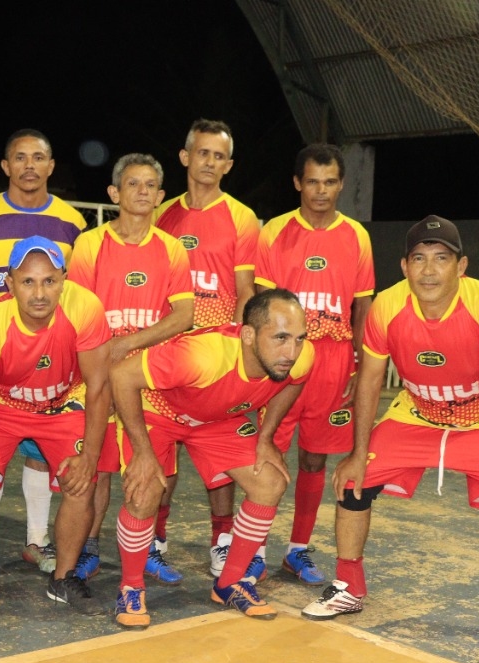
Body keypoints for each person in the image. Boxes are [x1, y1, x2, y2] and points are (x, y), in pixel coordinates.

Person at [306, 215, 479, 660]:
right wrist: (358, 453)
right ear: (404, 266)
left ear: (462, 266)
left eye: (442, 259)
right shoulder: (386, 307)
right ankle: (348, 586)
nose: (430, 270)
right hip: (418, 413)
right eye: (419, 259)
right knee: (352, 482)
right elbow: (370, 381)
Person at [110, 289, 313, 629]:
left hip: (216, 420)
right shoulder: (201, 356)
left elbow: (295, 382)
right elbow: (121, 376)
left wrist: (266, 437)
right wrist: (143, 453)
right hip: (159, 411)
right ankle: (131, 586)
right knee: (145, 491)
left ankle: (230, 582)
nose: (291, 351)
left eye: (298, 339)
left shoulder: (300, 357)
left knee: (270, 481)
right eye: (280, 338)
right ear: (249, 335)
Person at [0, 236, 112, 616]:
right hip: (3, 407)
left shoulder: (85, 309)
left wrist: (89, 455)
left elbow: (99, 386)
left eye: (49, 281)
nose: (40, 293)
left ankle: (65, 577)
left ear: (63, 280)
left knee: (79, 481)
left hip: (62, 405)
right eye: (28, 282)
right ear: (9, 283)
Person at [0, 129, 89, 573]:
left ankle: (38, 540)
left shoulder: (74, 222)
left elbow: (76, 298)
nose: (29, 165)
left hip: (52, 374)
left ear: (52, 166)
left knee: (41, 462)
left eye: (39, 157)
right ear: (6, 165)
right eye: (20, 157)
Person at [65, 153, 194, 581]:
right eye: (133, 184)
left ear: (160, 195)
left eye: (150, 185)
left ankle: (152, 545)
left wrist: (131, 344)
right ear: (114, 193)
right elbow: (78, 311)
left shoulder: (172, 249)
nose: (142, 192)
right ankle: (89, 545)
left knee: (158, 469)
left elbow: (184, 315)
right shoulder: (89, 245)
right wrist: (106, 354)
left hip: (151, 378)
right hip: (99, 375)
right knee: (99, 469)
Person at [251, 143, 374, 587]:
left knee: (315, 457)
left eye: (330, 182)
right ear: (298, 183)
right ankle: (254, 550)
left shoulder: (356, 235)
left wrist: (362, 361)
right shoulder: (275, 233)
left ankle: (297, 549)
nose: (321, 191)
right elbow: (262, 308)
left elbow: (362, 307)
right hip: (286, 359)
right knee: (267, 451)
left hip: (335, 359)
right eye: (313, 181)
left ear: (341, 184)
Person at [154, 118, 261, 576]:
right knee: (163, 453)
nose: (210, 163)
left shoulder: (241, 217)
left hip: (216, 354)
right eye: (202, 153)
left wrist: (236, 354)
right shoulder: (163, 215)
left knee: (221, 456)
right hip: (167, 351)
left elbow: (245, 291)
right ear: (185, 156)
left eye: (219, 156)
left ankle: (222, 539)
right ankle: (154, 539)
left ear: (229, 164)